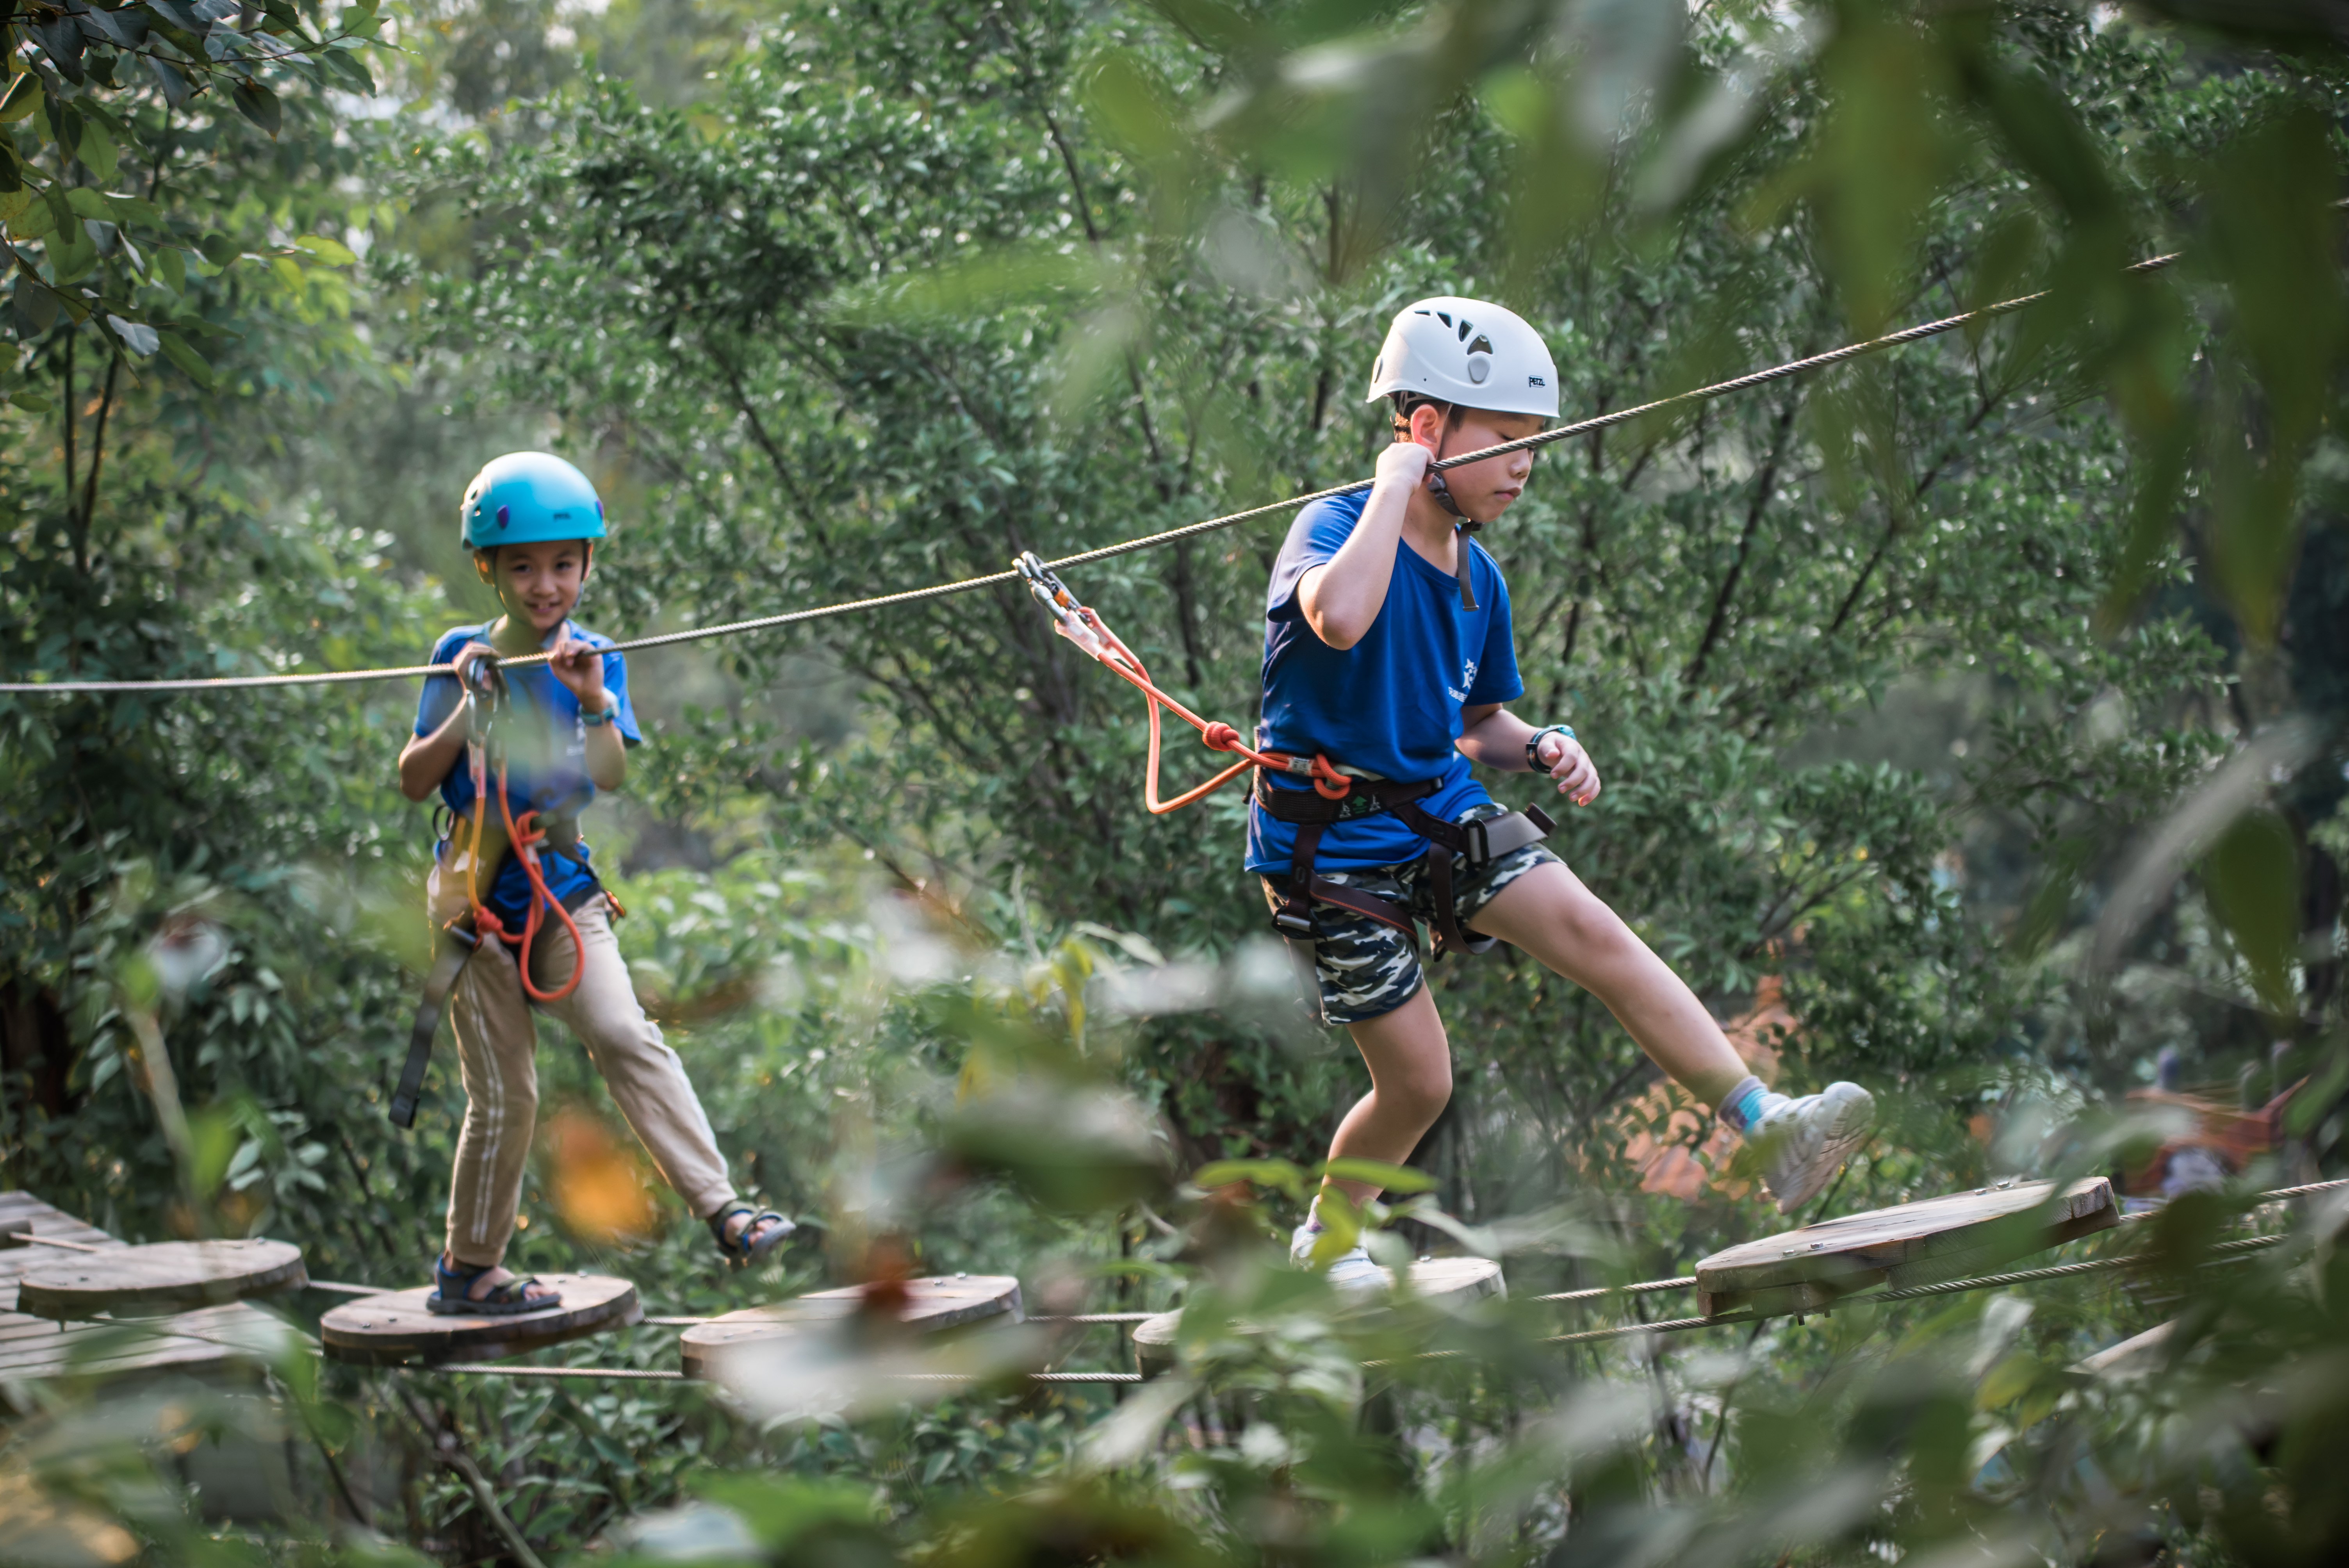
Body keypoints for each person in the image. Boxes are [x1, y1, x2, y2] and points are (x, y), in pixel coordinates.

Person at [1252, 299, 1875, 1285]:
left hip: (1431, 810)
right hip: (1327, 851)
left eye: (1532, 447)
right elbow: (1337, 617)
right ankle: (1323, 1244)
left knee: (1594, 932)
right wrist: (1390, 488)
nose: (1522, 467)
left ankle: (1769, 1131)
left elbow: (1474, 723)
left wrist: (1538, 742)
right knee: (1418, 1083)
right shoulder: (1334, 527)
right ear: (1425, 428)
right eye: (1503, 441)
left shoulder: (1477, 579)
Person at [395, 452, 791, 1314]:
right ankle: (470, 1271)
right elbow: (414, 778)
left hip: (558, 884)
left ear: (586, 566)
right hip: (472, 893)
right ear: (488, 570)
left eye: (564, 565)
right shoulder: (458, 653)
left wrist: (591, 701)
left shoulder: (595, 657)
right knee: (508, 1093)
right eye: (524, 566)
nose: (546, 585)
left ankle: (724, 1210)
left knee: (624, 1032)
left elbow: (610, 776)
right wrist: (470, 704)